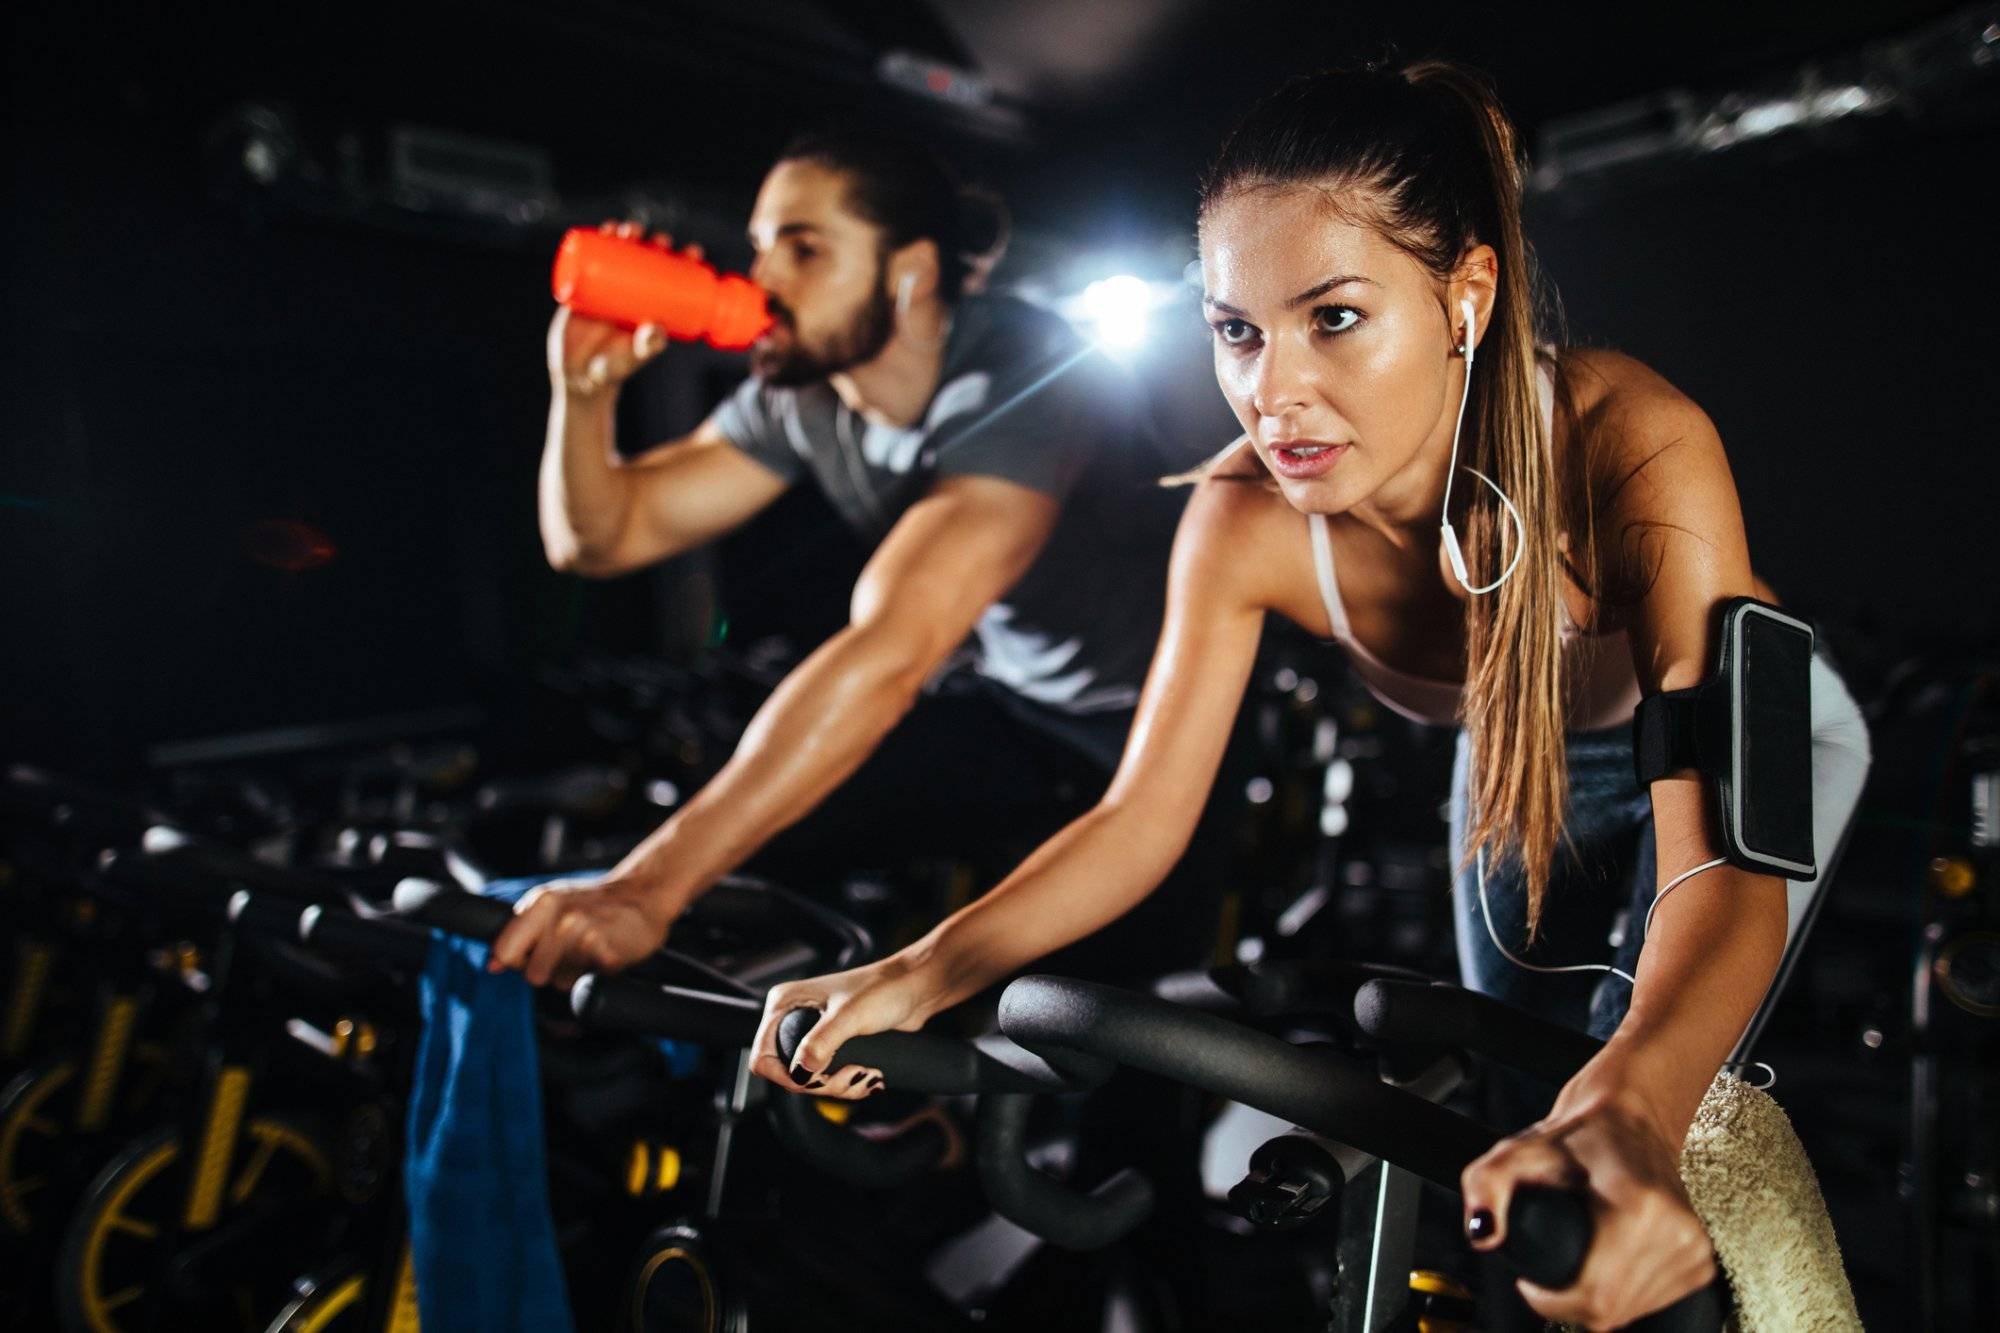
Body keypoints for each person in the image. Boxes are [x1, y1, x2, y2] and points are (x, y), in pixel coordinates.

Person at [746, 62, 1870, 1329]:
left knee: (1650, 1096)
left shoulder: (1628, 441)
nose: (1271, 393)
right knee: (1513, 1121)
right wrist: (926, 967)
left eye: (1332, 317)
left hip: (1743, 769)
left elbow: (1723, 849)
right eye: (1235, 330)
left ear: (1465, 297)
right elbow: (1139, 818)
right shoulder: (1239, 516)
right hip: (1516, 750)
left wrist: (1631, 1102)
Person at [492, 131, 1187, 987]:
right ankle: (868, 1110)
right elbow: (599, 538)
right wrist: (585, 395)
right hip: (1018, 699)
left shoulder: (1028, 369)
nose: (763, 280)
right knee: (775, 849)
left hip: (1163, 712)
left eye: (805, 249)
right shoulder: (802, 396)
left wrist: (644, 886)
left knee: (1127, 1017)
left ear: (912, 271)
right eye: (759, 248)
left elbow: (895, 644)